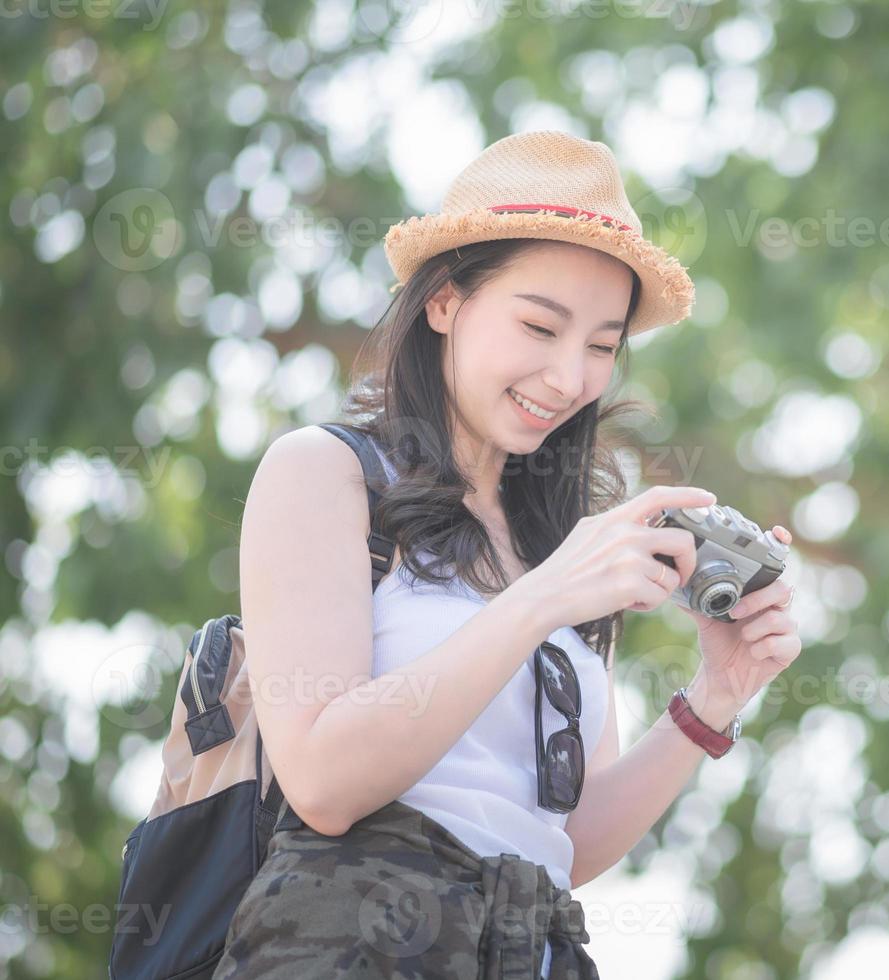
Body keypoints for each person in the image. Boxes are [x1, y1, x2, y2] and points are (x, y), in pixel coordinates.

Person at [211, 131, 803, 979]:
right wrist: (542, 600)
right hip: (351, 943)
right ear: (444, 302)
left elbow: (563, 836)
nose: (568, 378)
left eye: (602, 346)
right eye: (539, 325)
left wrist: (715, 697)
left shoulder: (560, 552)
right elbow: (323, 780)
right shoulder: (328, 472)